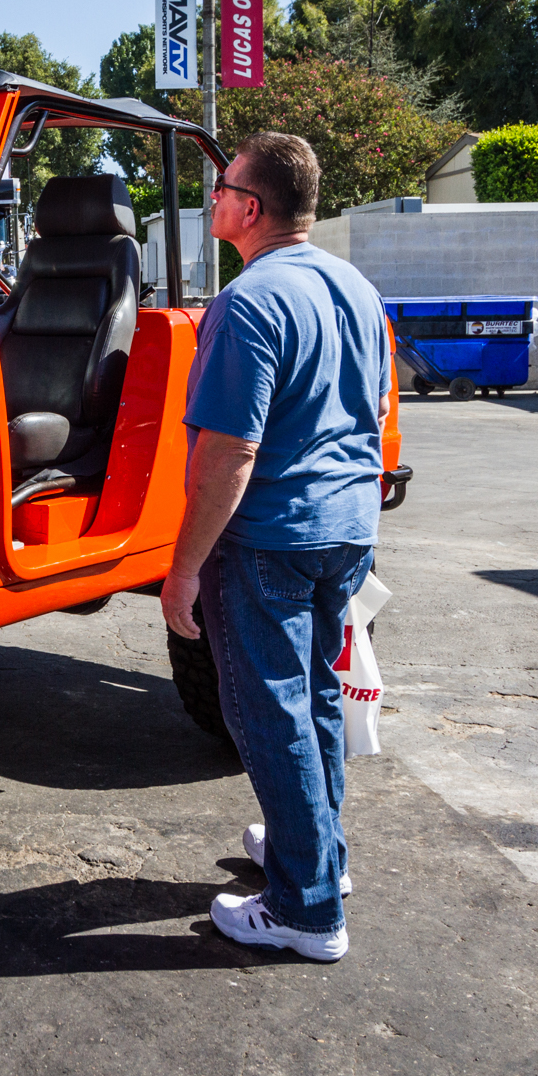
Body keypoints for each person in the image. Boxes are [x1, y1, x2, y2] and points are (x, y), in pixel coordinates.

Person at [159, 132, 390, 963]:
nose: (213, 198)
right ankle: (319, 855)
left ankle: (305, 910)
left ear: (250, 208)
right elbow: (368, 410)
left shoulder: (250, 302)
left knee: (270, 710)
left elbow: (229, 452)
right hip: (348, 527)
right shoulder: (355, 288)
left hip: (271, 536)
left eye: (221, 186)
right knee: (317, 699)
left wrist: (183, 568)